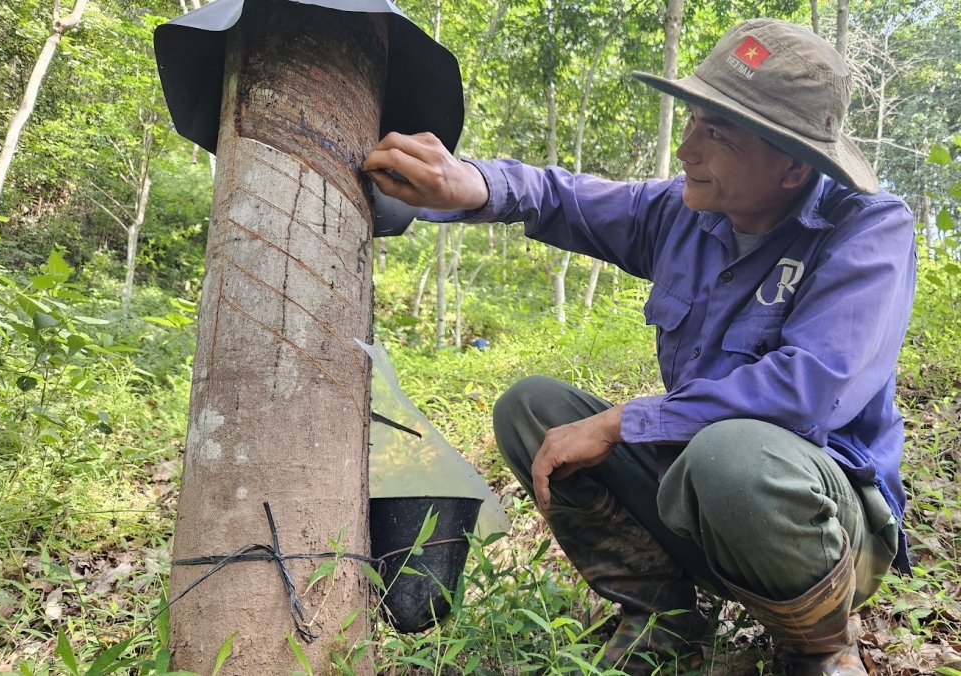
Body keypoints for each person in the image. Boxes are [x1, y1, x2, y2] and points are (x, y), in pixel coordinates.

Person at [364, 19, 917, 676]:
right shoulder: (685, 211)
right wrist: (470, 184)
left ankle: (819, 646)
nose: (687, 148)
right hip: (695, 491)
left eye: (718, 133)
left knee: (730, 456)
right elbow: (564, 197)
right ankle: (662, 617)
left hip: (822, 525)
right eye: (692, 121)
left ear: (793, 164)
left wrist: (626, 421)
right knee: (534, 408)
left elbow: (812, 389)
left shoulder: (866, 229)